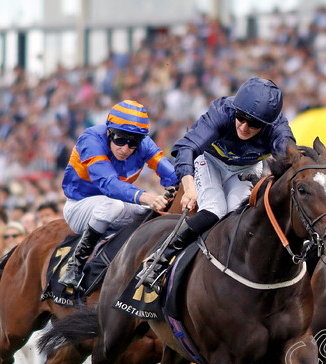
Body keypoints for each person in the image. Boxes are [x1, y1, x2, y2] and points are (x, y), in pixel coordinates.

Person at [140, 77, 295, 291]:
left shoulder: (278, 127)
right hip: (210, 161)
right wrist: (190, 186)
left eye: (255, 123)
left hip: (245, 168)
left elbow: (290, 158)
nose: (244, 126)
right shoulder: (223, 111)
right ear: (235, 110)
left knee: (236, 216)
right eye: (241, 117)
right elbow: (185, 148)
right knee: (215, 209)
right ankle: (158, 258)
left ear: (268, 123)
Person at [59, 100, 178, 289]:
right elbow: (109, 185)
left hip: (115, 205)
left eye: (133, 144)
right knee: (113, 205)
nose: (125, 149)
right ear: (109, 132)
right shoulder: (91, 139)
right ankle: (75, 266)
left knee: (153, 214)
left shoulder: (144, 144)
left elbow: (170, 174)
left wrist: (183, 187)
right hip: (80, 206)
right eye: (120, 139)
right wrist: (147, 196)